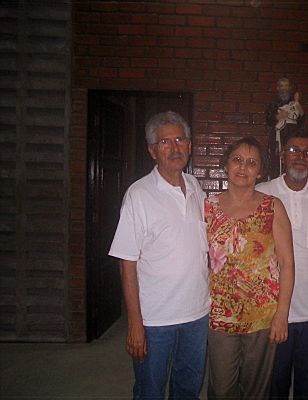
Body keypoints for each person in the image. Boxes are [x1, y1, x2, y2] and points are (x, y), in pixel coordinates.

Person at [108, 111, 209, 399]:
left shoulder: (196, 188)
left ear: (189, 146)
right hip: (155, 320)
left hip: (197, 314)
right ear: (153, 151)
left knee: (188, 388)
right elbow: (127, 264)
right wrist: (135, 324)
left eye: (180, 140)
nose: (175, 147)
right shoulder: (139, 195)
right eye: (165, 142)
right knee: (149, 391)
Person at [205, 137, 295, 399]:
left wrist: (281, 315)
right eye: (237, 160)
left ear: (260, 171)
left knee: (256, 390)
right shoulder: (208, 207)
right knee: (221, 389)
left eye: (252, 162)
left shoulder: (272, 207)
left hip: (262, 315)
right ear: (226, 165)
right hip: (219, 314)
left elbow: (287, 263)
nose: (243, 167)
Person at [256, 129, 308, 400]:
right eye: (293, 151)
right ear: (282, 156)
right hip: (274, 311)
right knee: (274, 384)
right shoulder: (263, 193)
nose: (300, 157)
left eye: (307, 153)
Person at [266, 77, 305, 178]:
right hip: (278, 135)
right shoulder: (273, 104)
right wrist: (278, 116)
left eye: (286, 86)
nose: (284, 89)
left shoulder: (294, 103)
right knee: (277, 157)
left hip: (292, 134)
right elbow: (269, 120)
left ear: (289, 88)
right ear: (278, 88)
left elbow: (301, 119)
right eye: (282, 86)